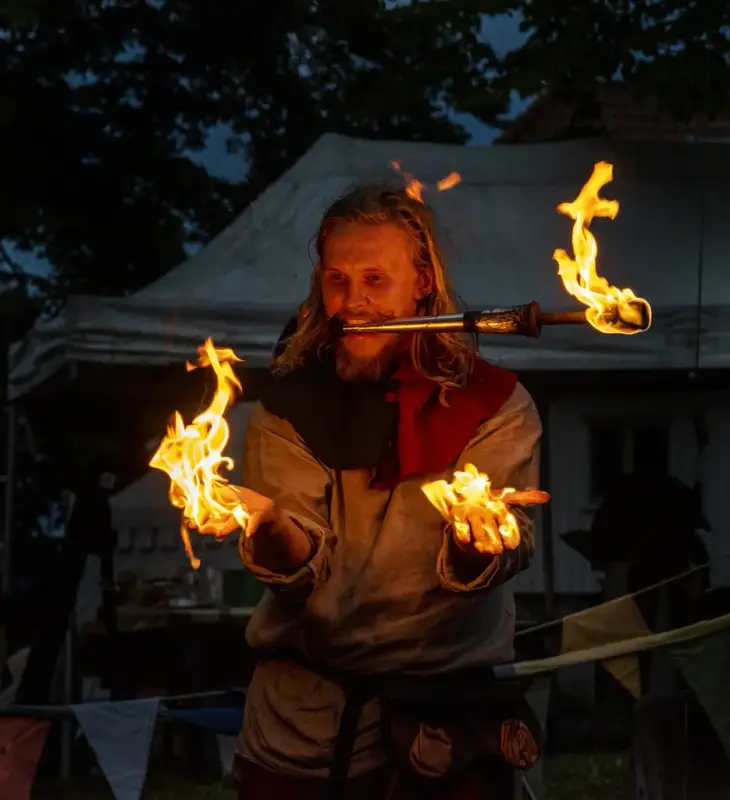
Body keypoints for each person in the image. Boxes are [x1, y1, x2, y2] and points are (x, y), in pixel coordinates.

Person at [208, 184, 548, 798]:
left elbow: (502, 544)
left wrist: (480, 539)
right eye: (338, 280)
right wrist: (270, 530)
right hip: (304, 727)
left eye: (374, 280)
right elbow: (300, 564)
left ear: (421, 282)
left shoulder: (496, 405)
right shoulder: (287, 409)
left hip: (449, 720)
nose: (353, 302)